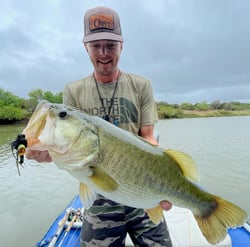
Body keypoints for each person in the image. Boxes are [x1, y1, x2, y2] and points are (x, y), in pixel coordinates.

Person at [26, 6, 173, 247]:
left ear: (122, 46)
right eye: (96, 46)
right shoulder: (73, 91)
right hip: (99, 196)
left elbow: (148, 138)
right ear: (86, 47)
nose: (104, 53)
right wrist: (47, 151)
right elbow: (71, 145)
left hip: (142, 190)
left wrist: (159, 182)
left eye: (111, 45)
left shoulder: (141, 85)